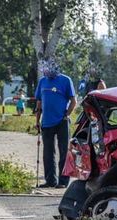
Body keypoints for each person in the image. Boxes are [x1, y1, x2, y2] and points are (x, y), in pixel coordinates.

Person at [35, 57, 77, 189]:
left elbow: (73, 101)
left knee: (64, 151)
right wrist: (37, 120)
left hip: (61, 122)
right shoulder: (42, 81)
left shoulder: (65, 80)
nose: (47, 71)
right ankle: (50, 180)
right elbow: (39, 102)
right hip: (46, 122)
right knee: (48, 153)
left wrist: (67, 114)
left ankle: (63, 181)